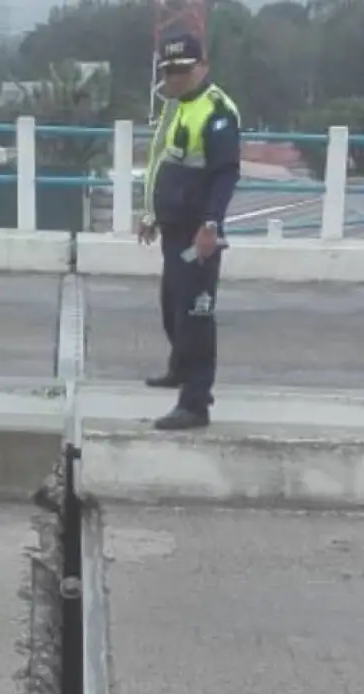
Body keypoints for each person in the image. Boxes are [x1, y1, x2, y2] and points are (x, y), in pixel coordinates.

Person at [138, 33, 241, 431]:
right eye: (169, 71)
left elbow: (225, 174)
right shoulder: (178, 107)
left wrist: (211, 225)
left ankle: (196, 403)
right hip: (174, 229)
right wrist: (150, 212)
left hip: (200, 234)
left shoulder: (216, 111)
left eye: (182, 70)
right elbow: (162, 161)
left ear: (202, 67)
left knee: (196, 315)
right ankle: (180, 369)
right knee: (172, 306)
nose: (175, 78)